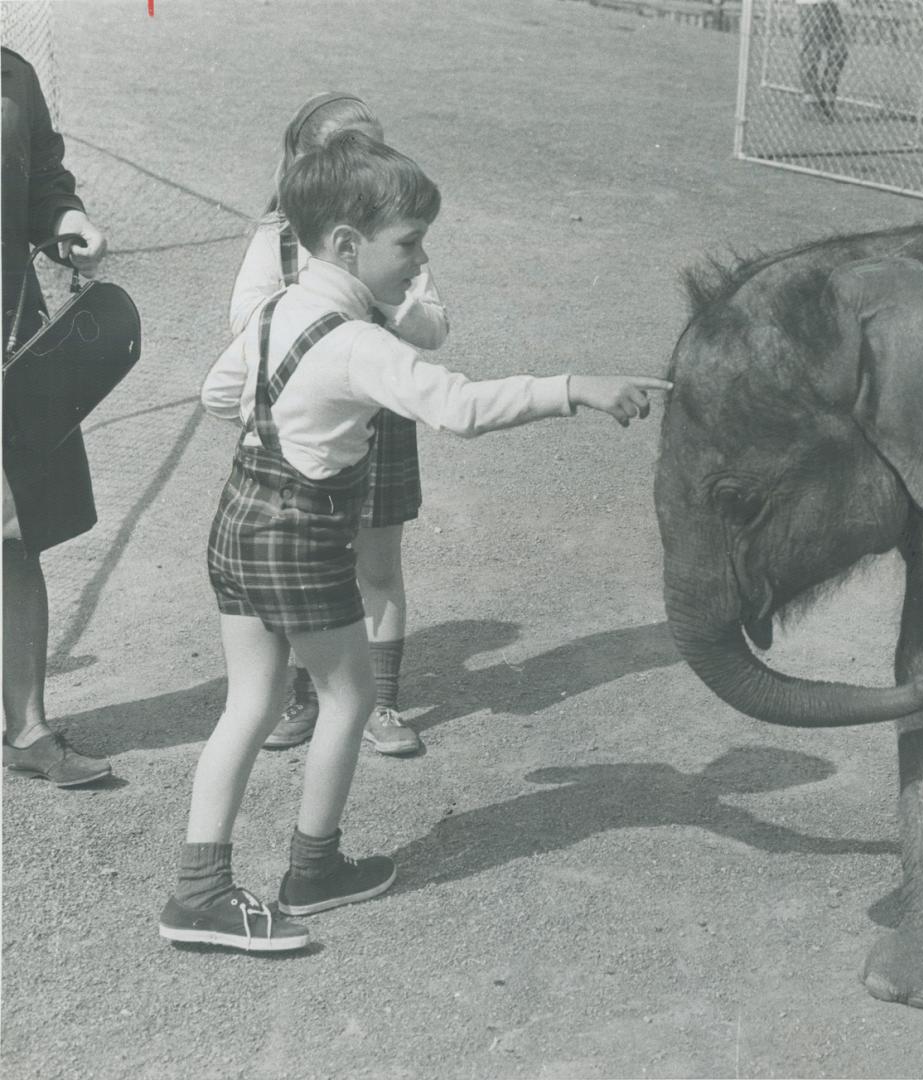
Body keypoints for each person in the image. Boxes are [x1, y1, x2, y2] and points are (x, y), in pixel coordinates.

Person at [158, 130, 670, 952]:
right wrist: (573, 386)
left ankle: (200, 889)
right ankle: (312, 871)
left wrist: (292, 421)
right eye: (410, 244)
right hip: (299, 536)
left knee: (247, 704)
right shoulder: (359, 342)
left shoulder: (280, 309)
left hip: (239, 518)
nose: (420, 261)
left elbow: (222, 392)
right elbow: (458, 406)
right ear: (347, 244)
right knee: (350, 698)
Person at [230, 92, 445, 758]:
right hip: (305, 428)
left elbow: (433, 327)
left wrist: (397, 306)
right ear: (305, 168)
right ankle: (302, 696)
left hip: (380, 421)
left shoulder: (395, 245)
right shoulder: (277, 241)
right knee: (304, 567)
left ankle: (380, 702)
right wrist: (323, 306)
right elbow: (245, 322)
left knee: (377, 567)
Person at [2, 47, 112, 788]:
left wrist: (67, 220)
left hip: (9, 331)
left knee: (15, 530)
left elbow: (42, 179)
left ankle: (28, 728)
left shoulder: (13, 76)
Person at [796, 0, 848, 121]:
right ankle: (811, 102)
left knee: (840, 50)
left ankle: (828, 100)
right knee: (812, 52)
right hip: (812, 4)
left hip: (832, 4)